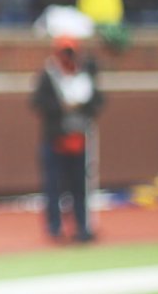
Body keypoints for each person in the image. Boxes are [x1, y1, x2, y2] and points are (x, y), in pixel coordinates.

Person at [31, 35, 104, 243]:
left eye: (70, 51)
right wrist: (61, 108)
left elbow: (98, 101)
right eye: (64, 51)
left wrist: (82, 106)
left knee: (79, 185)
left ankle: (82, 226)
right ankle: (54, 228)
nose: (67, 56)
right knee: (53, 185)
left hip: (79, 139)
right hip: (55, 139)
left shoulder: (83, 74)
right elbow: (37, 102)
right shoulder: (48, 75)